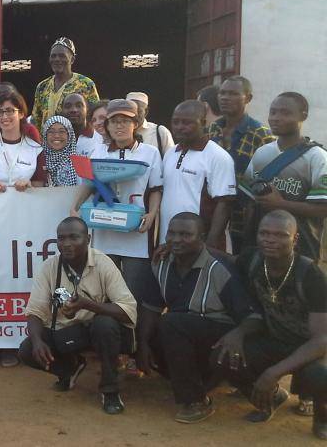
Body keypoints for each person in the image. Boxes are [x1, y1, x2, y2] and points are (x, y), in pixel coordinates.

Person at [136, 212, 261, 423]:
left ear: (201, 237)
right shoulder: (161, 262)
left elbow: (253, 317)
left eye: (185, 234)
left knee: (172, 322)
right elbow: (150, 308)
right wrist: (142, 345)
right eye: (172, 233)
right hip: (183, 333)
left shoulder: (218, 268)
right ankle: (197, 382)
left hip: (221, 336)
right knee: (149, 330)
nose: (176, 240)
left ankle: (195, 401)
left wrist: (237, 335)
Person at [19, 217, 137, 415]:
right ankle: (69, 370)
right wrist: (37, 340)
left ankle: (110, 390)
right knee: (27, 349)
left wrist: (88, 304)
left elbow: (128, 311)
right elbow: (35, 311)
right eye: (61, 238)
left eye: (74, 237)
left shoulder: (103, 263)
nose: (66, 244)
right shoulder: (49, 267)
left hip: (102, 332)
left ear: (88, 239)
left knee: (105, 325)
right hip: (69, 333)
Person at [226, 210, 327, 439]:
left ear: (295, 239)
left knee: (322, 375)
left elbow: (322, 340)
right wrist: (183, 248)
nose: (270, 239)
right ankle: (271, 398)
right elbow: (224, 260)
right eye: (264, 233)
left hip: (307, 346)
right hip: (273, 339)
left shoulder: (312, 275)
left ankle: (322, 415)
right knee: (224, 357)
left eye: (280, 235)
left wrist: (273, 373)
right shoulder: (252, 260)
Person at [73, 99, 162, 288]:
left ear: (135, 124)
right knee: (106, 289)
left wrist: (152, 214)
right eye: (114, 121)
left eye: (125, 121)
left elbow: (155, 189)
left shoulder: (150, 153)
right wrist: (75, 207)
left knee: (134, 289)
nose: (119, 126)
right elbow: (89, 183)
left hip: (136, 232)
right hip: (104, 229)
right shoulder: (98, 152)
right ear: (107, 126)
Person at [243, 92, 327, 269]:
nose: (276, 118)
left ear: (303, 116)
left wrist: (280, 204)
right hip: (261, 246)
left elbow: (322, 209)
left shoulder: (317, 158)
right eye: (273, 112)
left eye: (285, 113)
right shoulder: (262, 153)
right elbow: (249, 200)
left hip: (302, 248)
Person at [208, 76, 274, 252]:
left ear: (248, 98)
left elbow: (269, 183)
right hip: (214, 216)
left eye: (232, 94)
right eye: (222, 93)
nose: (224, 98)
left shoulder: (261, 135)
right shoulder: (213, 129)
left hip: (245, 220)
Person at [160, 100, 235, 249]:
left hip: (200, 245)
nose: (180, 127)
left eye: (187, 123)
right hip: (169, 241)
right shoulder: (170, 153)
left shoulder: (218, 157)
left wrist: (210, 245)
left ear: (203, 123)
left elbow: (225, 203)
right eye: (175, 122)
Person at [31, 37, 99, 129]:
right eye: (53, 56)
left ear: (72, 60)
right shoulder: (42, 86)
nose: (57, 59)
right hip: (46, 141)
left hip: (78, 141)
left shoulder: (86, 84)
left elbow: (95, 117)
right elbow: (36, 119)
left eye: (62, 56)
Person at [127, 92, 175, 158]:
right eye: (130, 110)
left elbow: (171, 159)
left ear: (146, 112)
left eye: (138, 111)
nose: (134, 114)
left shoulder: (160, 132)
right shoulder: (118, 132)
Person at [40, 115, 80, 187]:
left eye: (62, 131)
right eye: (51, 132)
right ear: (45, 135)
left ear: (69, 135)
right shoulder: (39, 160)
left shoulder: (79, 163)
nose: (56, 136)